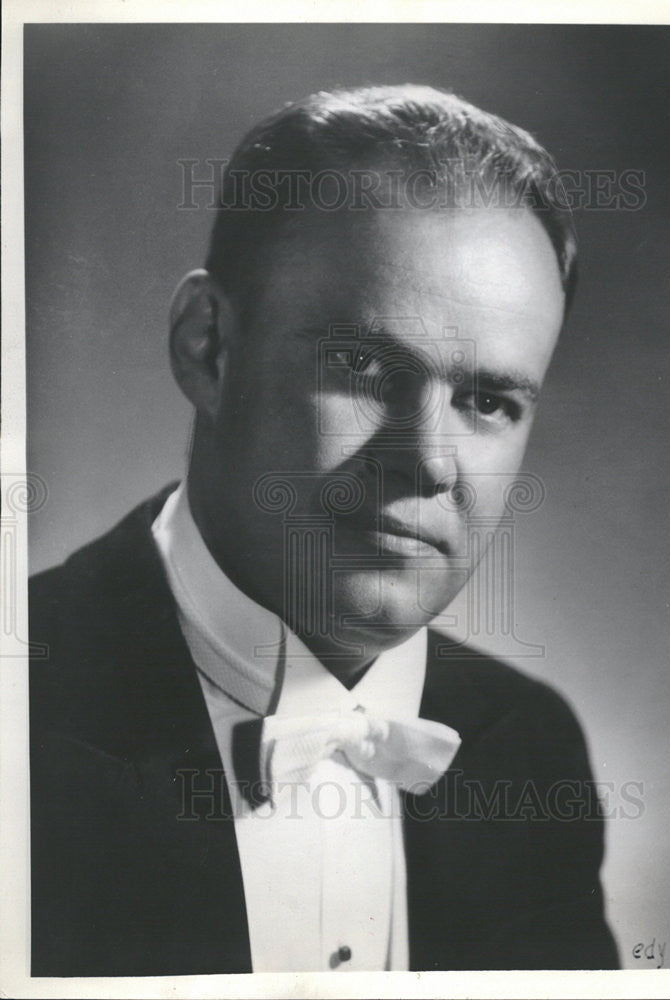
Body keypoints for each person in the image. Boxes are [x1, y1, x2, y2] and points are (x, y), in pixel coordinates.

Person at [29, 85, 619, 976]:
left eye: (488, 402)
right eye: (363, 366)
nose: (427, 461)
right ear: (208, 348)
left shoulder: (528, 747)